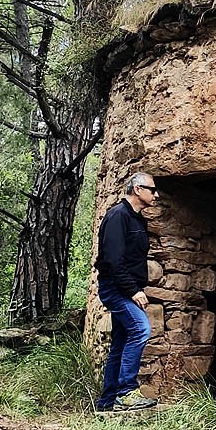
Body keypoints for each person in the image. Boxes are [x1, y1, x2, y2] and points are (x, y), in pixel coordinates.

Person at [93, 172, 161, 412]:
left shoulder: (137, 219)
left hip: (127, 288)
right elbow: (113, 260)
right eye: (152, 190)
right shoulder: (117, 216)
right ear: (137, 189)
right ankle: (126, 393)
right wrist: (133, 291)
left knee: (120, 344)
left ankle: (107, 401)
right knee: (141, 328)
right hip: (116, 289)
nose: (156, 194)